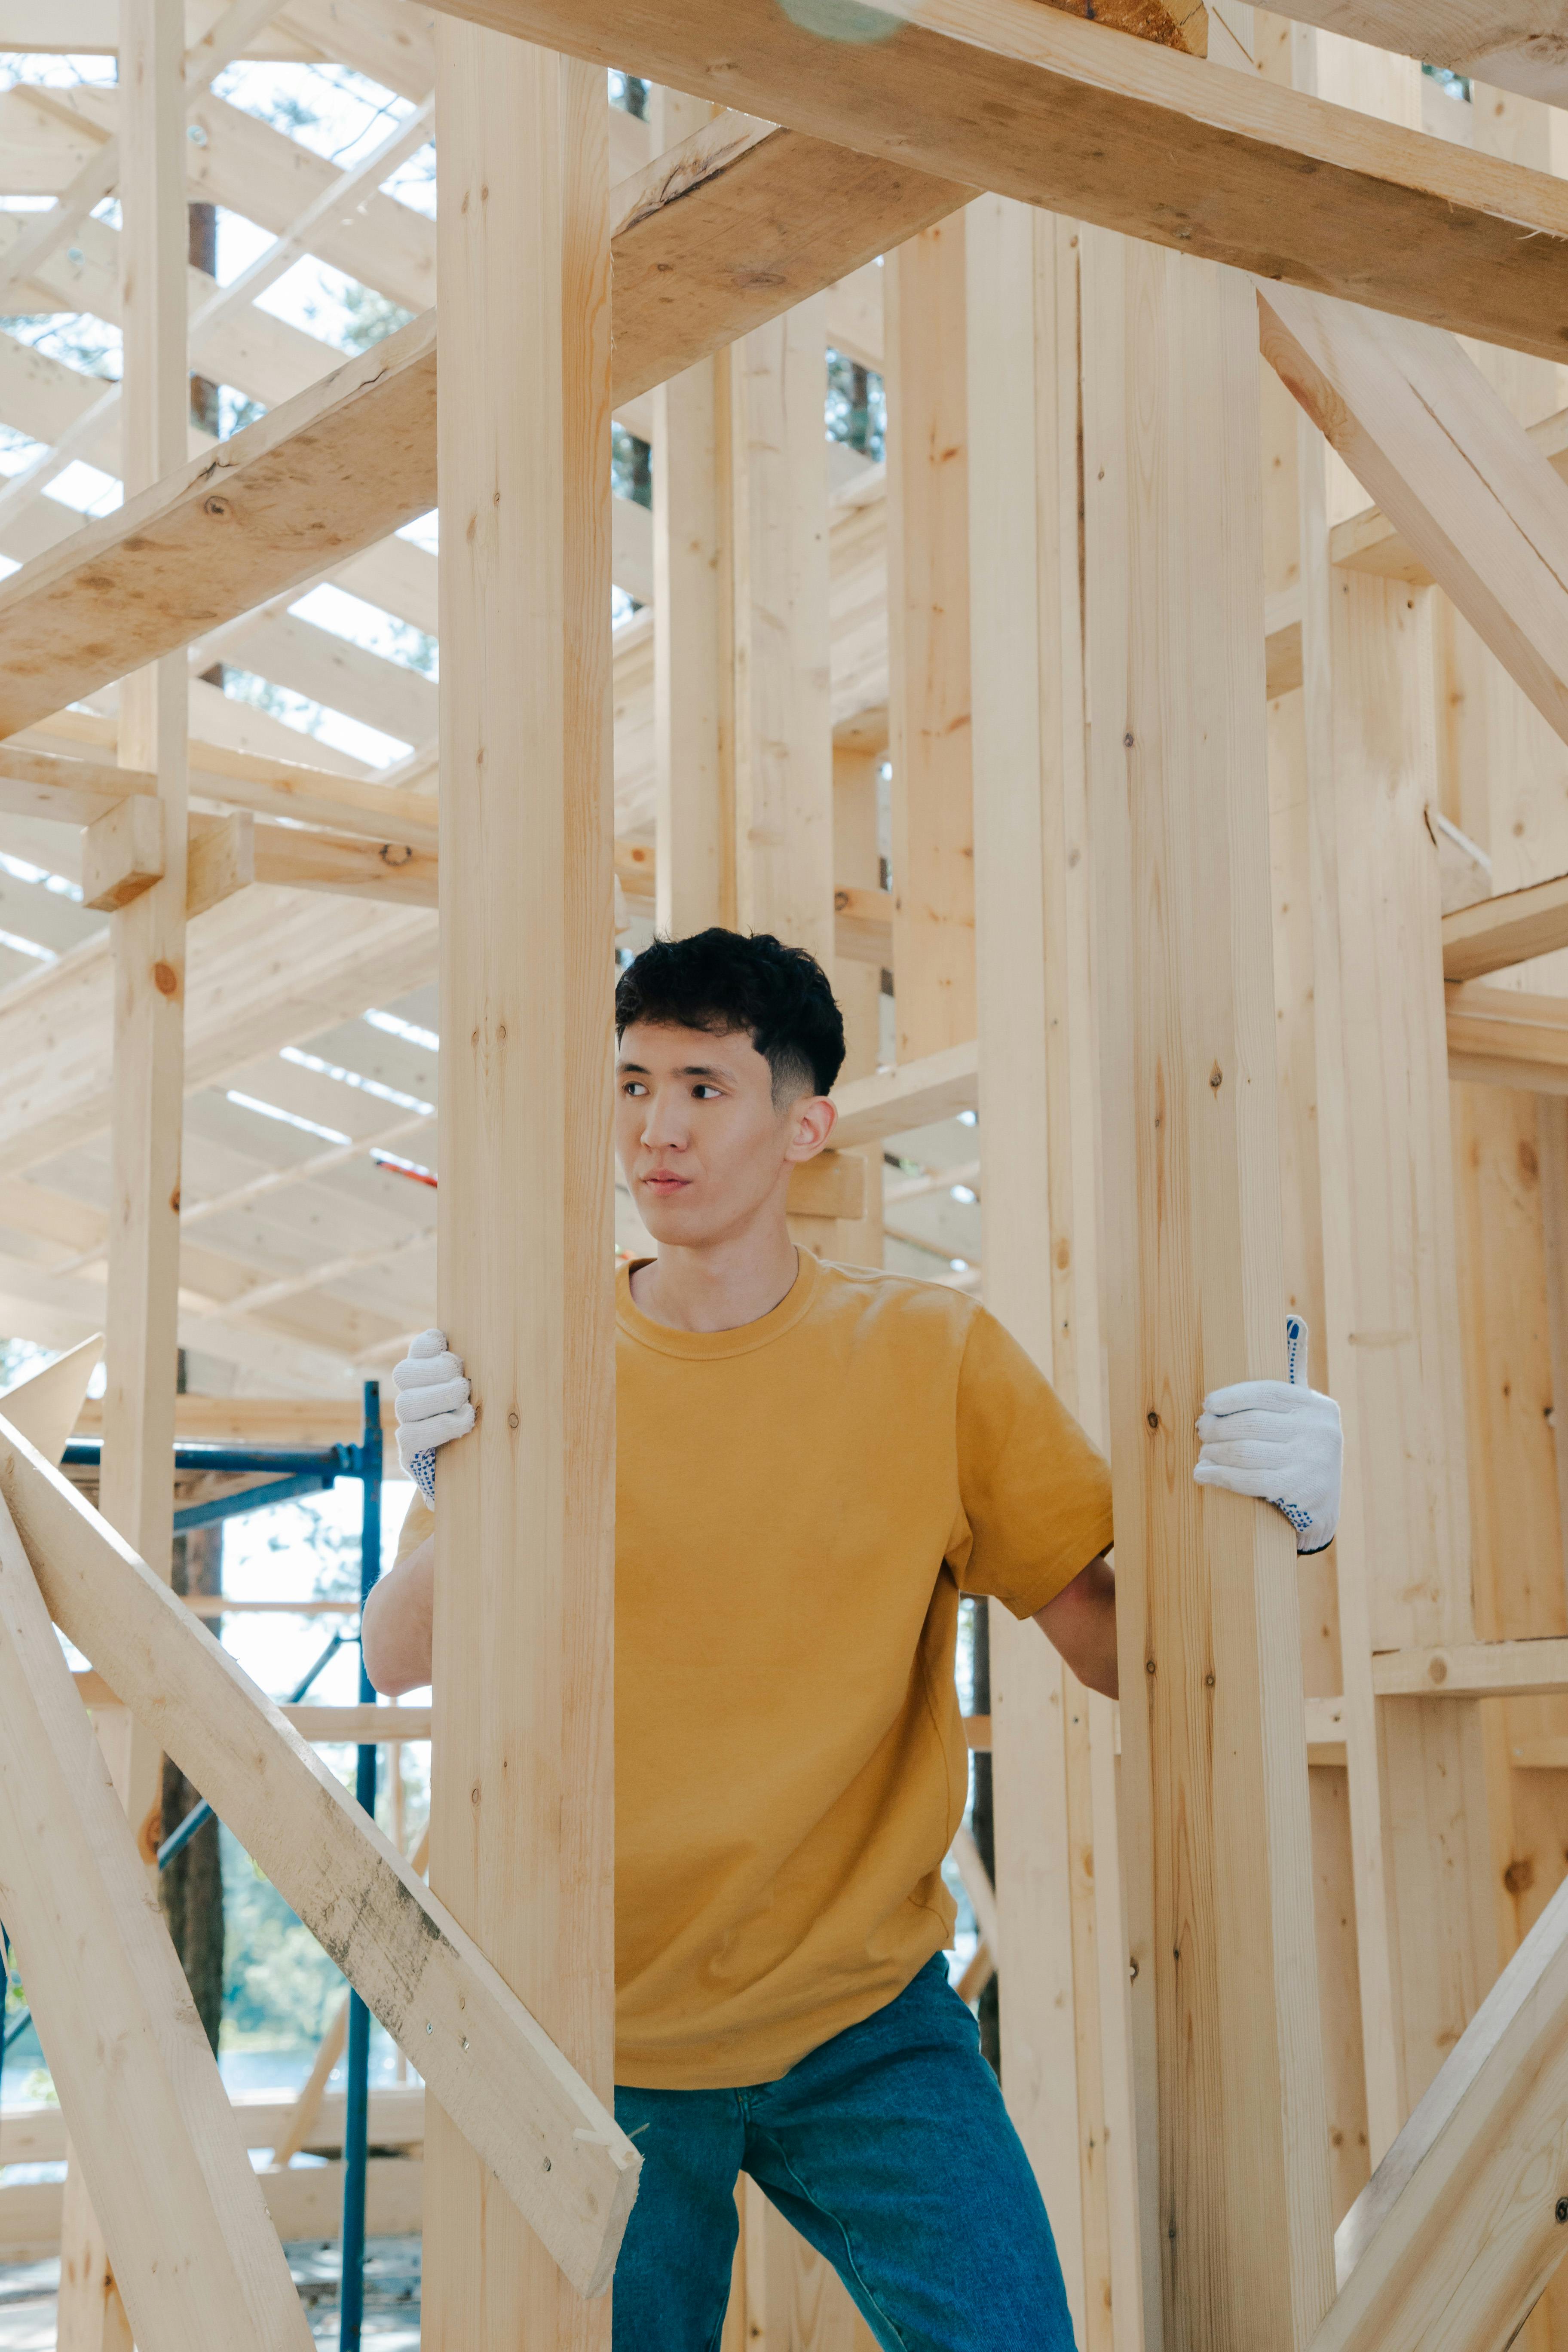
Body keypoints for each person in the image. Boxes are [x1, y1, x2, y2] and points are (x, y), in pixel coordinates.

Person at [362, 928, 1341, 2352]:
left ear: (804, 1126)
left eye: (704, 1086)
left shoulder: (931, 1359)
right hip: (581, 2037)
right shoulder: (540, 1361)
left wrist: (1284, 1543)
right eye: (633, 1084)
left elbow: (1113, 1648)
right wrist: (444, 1483)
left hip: (862, 2019)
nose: (656, 1128)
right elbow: (396, 1655)